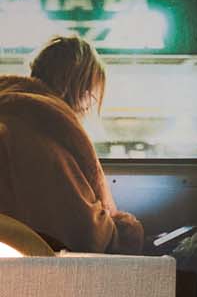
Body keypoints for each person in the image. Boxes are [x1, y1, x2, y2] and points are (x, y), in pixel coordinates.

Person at [0, 36, 145, 253]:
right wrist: (126, 230)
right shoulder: (47, 138)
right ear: (80, 92)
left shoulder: (12, 116)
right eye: (92, 96)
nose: (88, 105)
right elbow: (86, 234)